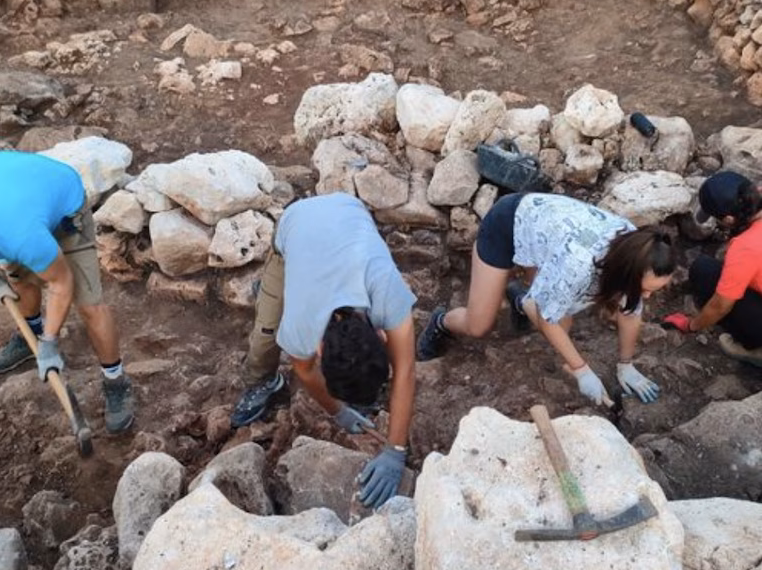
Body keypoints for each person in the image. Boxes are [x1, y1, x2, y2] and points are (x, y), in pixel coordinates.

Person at [231, 192, 417, 509]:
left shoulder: (387, 290)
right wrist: (338, 411)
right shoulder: (300, 330)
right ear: (318, 349)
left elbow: (406, 372)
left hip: (349, 210)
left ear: (381, 334)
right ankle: (264, 377)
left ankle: (295, 278)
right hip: (296, 222)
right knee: (265, 336)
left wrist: (395, 451)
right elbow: (304, 370)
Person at [417, 192, 676, 406]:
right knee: (479, 324)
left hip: (548, 235)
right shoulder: (579, 267)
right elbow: (547, 318)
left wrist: (626, 365)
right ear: (625, 273)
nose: (647, 295)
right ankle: (440, 322)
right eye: (643, 289)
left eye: (654, 290)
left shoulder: (641, 250)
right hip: (508, 224)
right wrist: (582, 370)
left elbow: (630, 311)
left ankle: (523, 299)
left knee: (560, 319)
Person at [0, 150, 135, 433]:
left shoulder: (18, 236)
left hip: (63, 203)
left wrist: (50, 343)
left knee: (89, 304)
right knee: (20, 279)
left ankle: (116, 380)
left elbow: (60, 283)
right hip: (10, 191)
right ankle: (27, 336)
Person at [663, 170, 762, 367]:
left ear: (728, 219)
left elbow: (721, 305)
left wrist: (691, 325)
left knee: (703, 270)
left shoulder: (746, 247)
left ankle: (755, 349)